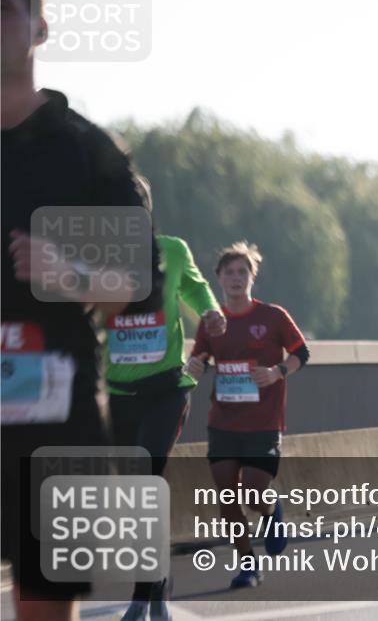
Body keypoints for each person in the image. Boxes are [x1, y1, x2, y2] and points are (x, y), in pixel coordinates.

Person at [2, 0, 163, 618]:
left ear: (39, 28)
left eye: (3, 9)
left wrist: (65, 273)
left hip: (53, 417)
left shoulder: (85, 152)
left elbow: (141, 288)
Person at [108, 179, 227, 621]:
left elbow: (195, 289)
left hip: (165, 388)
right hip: (117, 395)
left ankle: (142, 598)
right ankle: (155, 586)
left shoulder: (172, 251)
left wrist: (210, 311)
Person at [185, 241, 311, 589]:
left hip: (263, 422)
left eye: (243, 272)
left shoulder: (273, 316)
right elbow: (198, 362)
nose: (236, 278)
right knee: (227, 497)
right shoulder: (211, 321)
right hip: (223, 421)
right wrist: (193, 366)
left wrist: (278, 373)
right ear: (219, 279)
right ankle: (247, 566)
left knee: (254, 493)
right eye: (229, 272)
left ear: (252, 277)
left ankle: (272, 512)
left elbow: (302, 352)